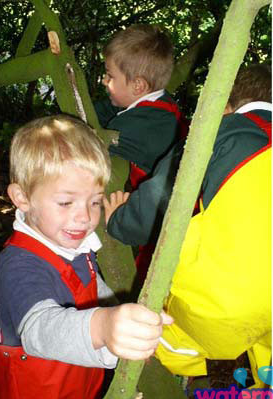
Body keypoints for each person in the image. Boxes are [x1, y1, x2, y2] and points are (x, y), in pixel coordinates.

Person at [0, 115, 172, 399]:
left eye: (94, 201)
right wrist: (104, 327)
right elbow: (39, 329)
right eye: (66, 202)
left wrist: (121, 319)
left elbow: (91, 290)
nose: (85, 216)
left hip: (79, 391)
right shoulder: (18, 265)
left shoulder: (70, 244)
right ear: (22, 197)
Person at [104, 63, 271, 389]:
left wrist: (118, 221)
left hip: (224, 303)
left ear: (225, 105)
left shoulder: (220, 133)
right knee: (272, 383)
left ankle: (180, 376)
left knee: (161, 332)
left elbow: (160, 198)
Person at [95, 24, 188, 279]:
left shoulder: (143, 127)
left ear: (137, 86)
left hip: (152, 227)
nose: (104, 81)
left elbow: (98, 135)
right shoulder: (156, 105)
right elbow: (106, 111)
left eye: (110, 76)